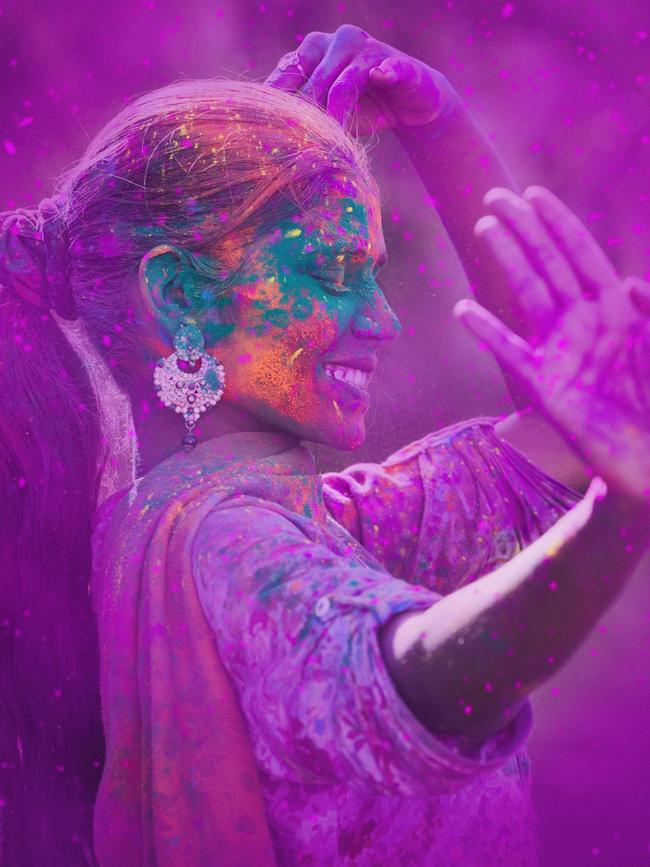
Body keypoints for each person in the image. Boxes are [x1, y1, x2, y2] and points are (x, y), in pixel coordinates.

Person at [0, 23, 647, 867]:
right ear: (181, 297)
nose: (384, 319)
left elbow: (567, 432)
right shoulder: (231, 545)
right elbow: (423, 680)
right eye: (336, 271)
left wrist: (436, 123)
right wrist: (618, 519)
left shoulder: (221, 525)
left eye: (374, 271)